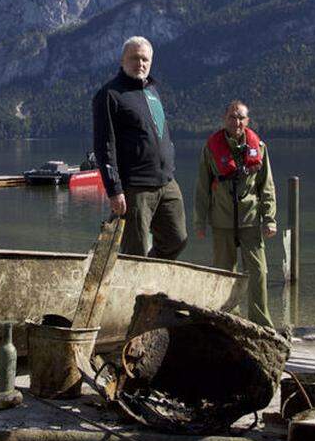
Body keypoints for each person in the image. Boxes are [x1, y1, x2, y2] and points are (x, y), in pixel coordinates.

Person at [92, 36, 187, 259]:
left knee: (177, 238)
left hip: (166, 181)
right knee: (135, 253)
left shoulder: (152, 92)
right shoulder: (109, 95)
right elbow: (104, 146)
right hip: (135, 187)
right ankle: (134, 292)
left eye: (145, 59)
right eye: (134, 58)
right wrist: (114, 190)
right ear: (122, 60)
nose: (140, 63)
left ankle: (150, 282)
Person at [194, 100, 277, 327]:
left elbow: (266, 185)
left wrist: (269, 218)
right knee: (224, 273)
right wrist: (199, 221)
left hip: (250, 218)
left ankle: (261, 323)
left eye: (241, 117)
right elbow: (202, 187)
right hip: (222, 220)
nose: (236, 121)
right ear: (225, 119)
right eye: (232, 117)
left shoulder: (259, 147)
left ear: (247, 121)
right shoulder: (211, 148)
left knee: (258, 271)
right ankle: (230, 320)